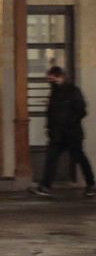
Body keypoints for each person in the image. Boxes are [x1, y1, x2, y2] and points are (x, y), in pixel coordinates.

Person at [33, 66, 94, 198]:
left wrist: (69, 123)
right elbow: (51, 113)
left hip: (72, 133)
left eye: (52, 79)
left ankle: (91, 184)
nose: (50, 81)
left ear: (60, 77)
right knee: (51, 159)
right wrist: (49, 128)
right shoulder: (54, 92)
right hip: (57, 134)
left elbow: (81, 110)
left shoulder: (73, 91)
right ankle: (45, 186)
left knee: (79, 157)